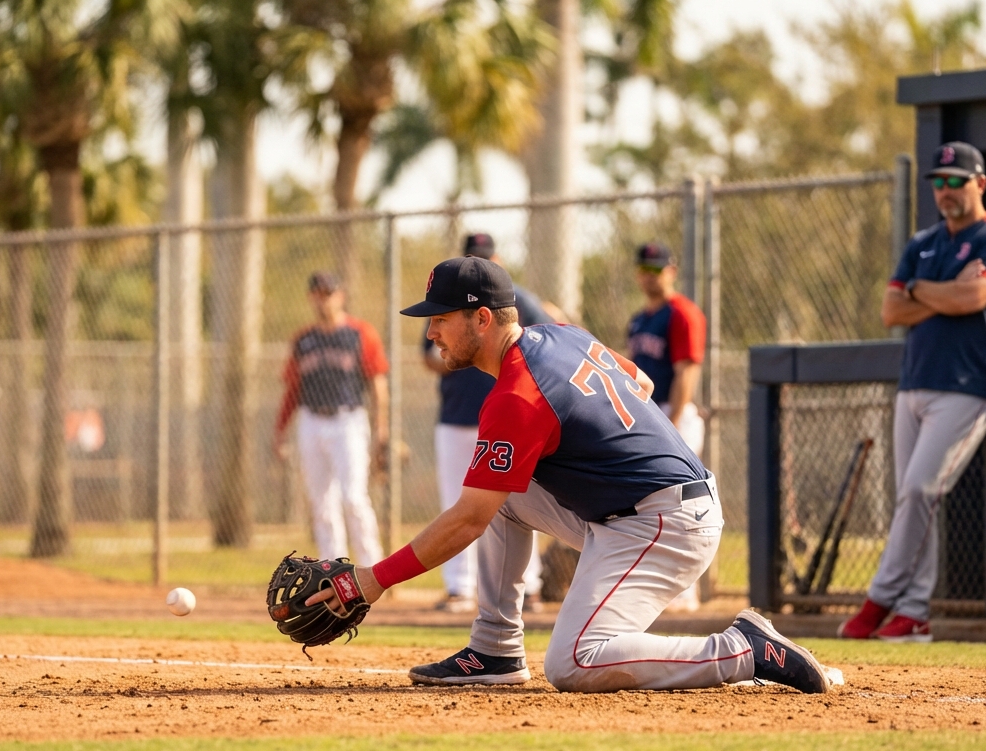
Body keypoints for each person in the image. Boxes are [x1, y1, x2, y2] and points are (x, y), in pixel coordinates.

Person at [308, 257, 831, 694]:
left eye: (440, 318)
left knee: (574, 662)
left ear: (482, 319)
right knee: (500, 495)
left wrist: (373, 580)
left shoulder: (517, 393)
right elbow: (642, 382)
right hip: (647, 505)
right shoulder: (559, 336)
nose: (431, 332)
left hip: (666, 523)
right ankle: (494, 649)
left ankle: (742, 650)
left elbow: (467, 521)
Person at [839, 141, 986, 643]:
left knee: (921, 490)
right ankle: (914, 613)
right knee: (914, 498)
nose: (944, 190)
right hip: (915, 383)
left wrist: (920, 290)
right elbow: (891, 312)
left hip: (968, 386)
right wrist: (934, 292)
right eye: (937, 182)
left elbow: (974, 297)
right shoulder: (922, 243)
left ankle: (880, 600)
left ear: (979, 183)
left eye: (954, 180)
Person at [424, 234, 557, 613]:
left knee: (512, 497)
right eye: (472, 257)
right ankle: (460, 588)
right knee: (459, 501)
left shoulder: (517, 299)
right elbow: (429, 351)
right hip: (458, 413)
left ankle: (528, 587)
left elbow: (549, 336)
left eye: (484, 257)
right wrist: (456, 352)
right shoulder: (448, 301)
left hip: (513, 419)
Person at [275, 272, 389, 565]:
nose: (323, 299)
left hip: (348, 420)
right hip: (311, 420)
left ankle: (370, 566)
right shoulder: (304, 339)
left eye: (329, 292)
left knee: (353, 497)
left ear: (341, 295)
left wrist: (381, 430)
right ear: (311, 297)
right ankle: (332, 568)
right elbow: (293, 389)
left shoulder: (359, 333)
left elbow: (378, 386)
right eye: (318, 293)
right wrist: (280, 431)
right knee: (321, 501)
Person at [626, 242, 709, 611]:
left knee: (681, 504)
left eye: (657, 269)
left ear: (671, 271)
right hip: (649, 415)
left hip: (674, 416)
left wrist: (671, 425)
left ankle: (686, 595)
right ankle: (658, 591)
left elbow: (686, 372)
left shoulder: (682, 313)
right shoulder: (639, 320)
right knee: (648, 506)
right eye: (645, 268)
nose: (650, 275)